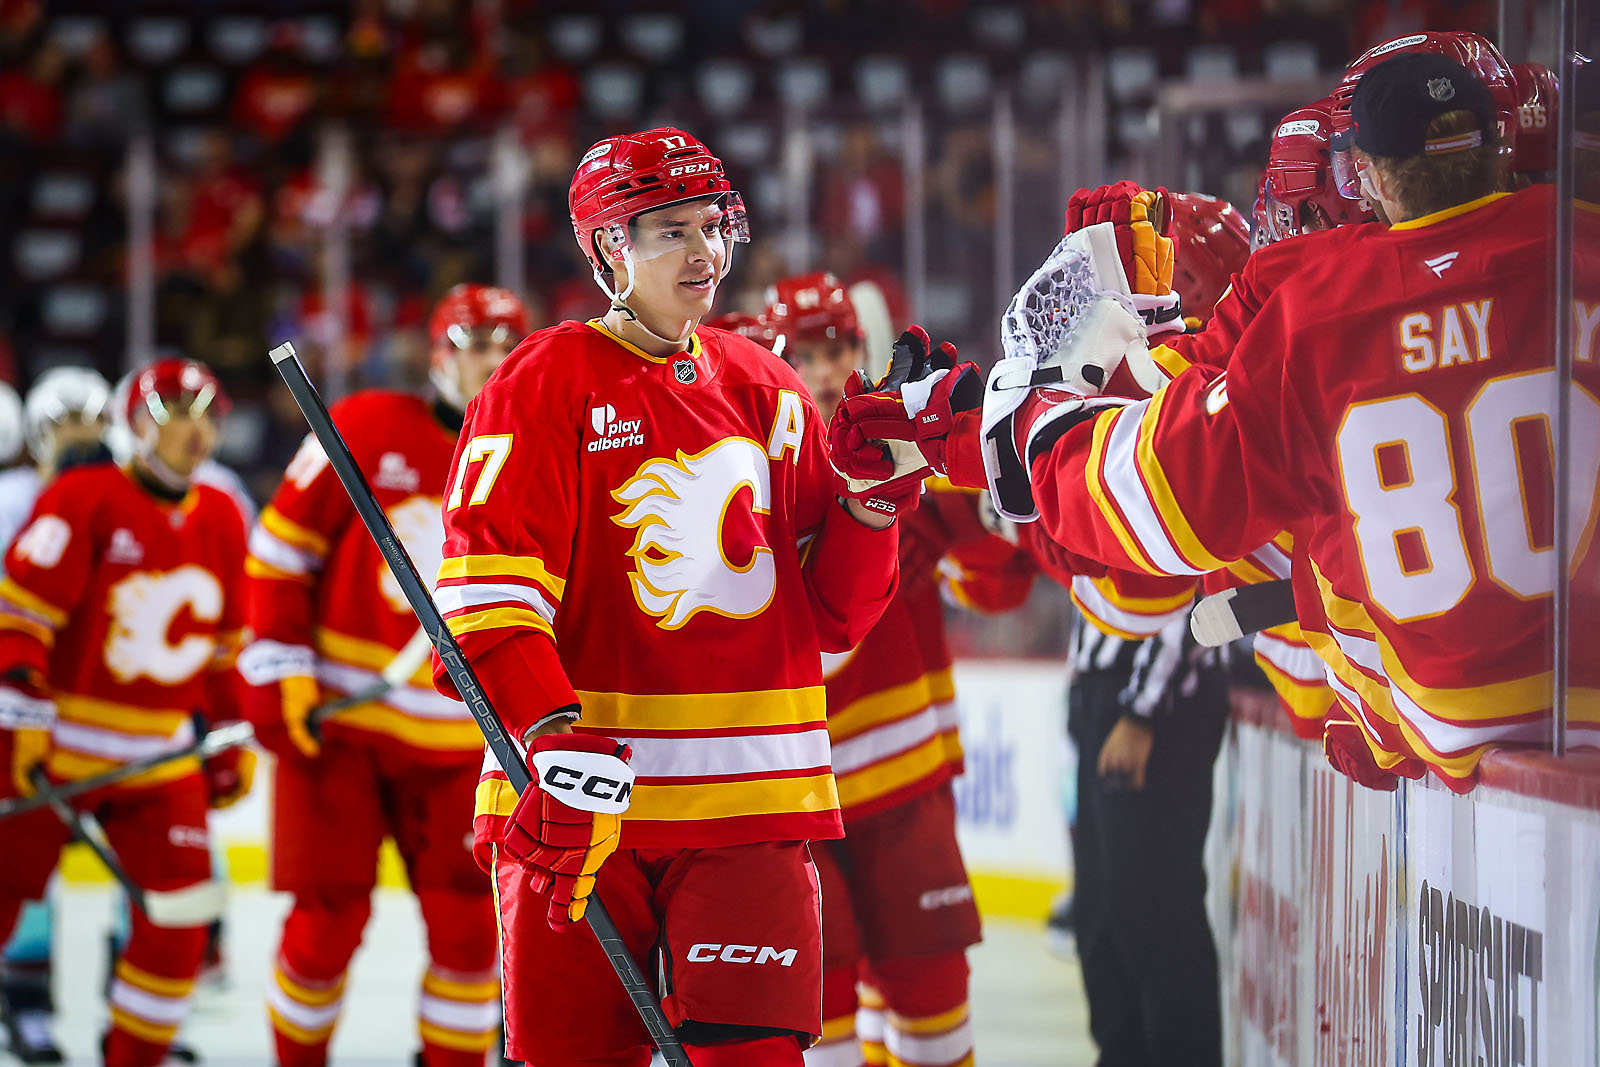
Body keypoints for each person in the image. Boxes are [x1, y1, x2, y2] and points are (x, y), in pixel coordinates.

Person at [850, 53, 1588, 790]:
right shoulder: (1579, 250)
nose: (1294, 235)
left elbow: (1154, 502)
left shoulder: (1320, 310)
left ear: (1372, 174)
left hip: (1446, 744)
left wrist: (1021, 421)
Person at [447, 127, 909, 1066]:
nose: (705, 254)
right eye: (671, 232)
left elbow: (833, 616)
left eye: (714, 225)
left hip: (753, 800)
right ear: (608, 247)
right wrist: (549, 742)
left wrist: (872, 506)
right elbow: (488, 603)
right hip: (585, 803)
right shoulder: (542, 381)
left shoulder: (772, 390)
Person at [239, 283, 532, 1067]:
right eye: (475, 344)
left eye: (507, 345)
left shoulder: (537, 452)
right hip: (342, 728)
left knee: (472, 931)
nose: (491, 361)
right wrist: (281, 670)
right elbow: (279, 553)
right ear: (439, 355)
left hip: (461, 740)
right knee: (325, 922)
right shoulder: (366, 426)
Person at [764, 273, 1036, 1067]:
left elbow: (1001, 582)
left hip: (901, 776)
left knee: (929, 985)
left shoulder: (901, 452)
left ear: (860, 350)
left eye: (837, 348)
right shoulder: (743, 465)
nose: (820, 370)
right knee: (821, 999)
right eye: (802, 352)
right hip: (790, 789)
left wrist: (968, 499)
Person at [0, 359, 253, 1067]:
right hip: (57, 747)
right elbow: (21, 618)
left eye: (207, 413)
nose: (196, 430)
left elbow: (225, 652)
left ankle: (135, 1054)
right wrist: (20, 724)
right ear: (137, 424)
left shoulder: (224, 513)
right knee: (6, 897)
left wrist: (231, 738)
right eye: (177, 412)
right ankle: (28, 1009)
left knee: (180, 924)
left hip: (158, 757)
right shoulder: (83, 497)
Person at [0, 367, 110, 1065]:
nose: (75, 444)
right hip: (27, 709)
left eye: (87, 429)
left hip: (110, 713)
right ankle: (28, 1003)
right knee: (26, 875)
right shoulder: (12, 499)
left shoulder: (119, 497)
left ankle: (144, 1004)